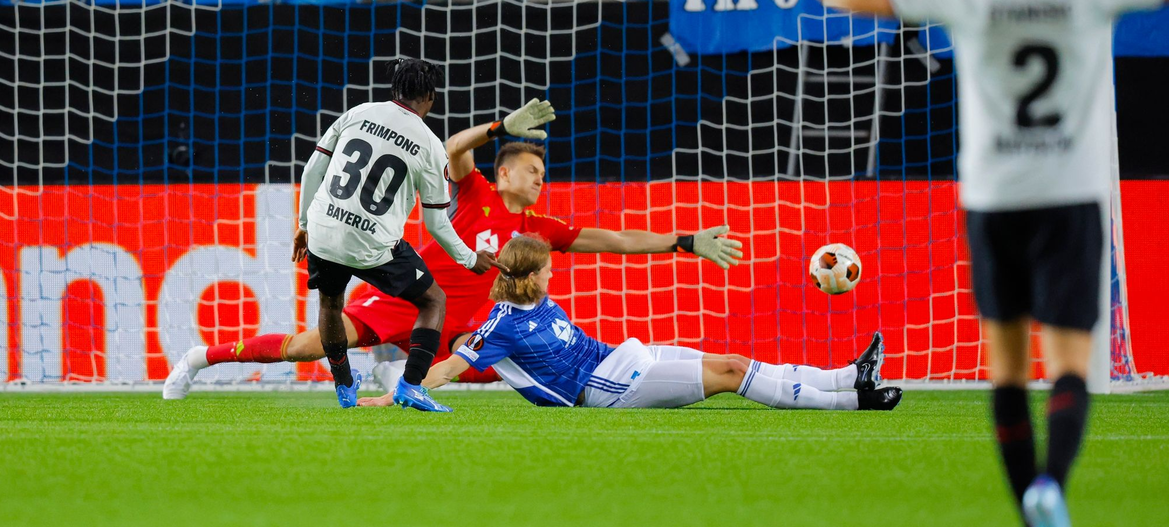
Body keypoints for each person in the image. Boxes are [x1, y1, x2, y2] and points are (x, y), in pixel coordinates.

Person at [749, 0, 1169, 524]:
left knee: (1008, 368)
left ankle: (1026, 502)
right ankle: (1051, 486)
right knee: (1069, 361)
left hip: (996, 198)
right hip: (1071, 191)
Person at [163, 99, 745, 399]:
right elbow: (447, 147)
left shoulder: (541, 229)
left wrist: (684, 242)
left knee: (501, 366)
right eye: (533, 169)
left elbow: (614, 240)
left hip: (469, 325)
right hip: (411, 299)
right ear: (508, 172)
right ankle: (199, 359)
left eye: (542, 172)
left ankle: (399, 381)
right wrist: (497, 127)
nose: (540, 178)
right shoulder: (472, 190)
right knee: (308, 346)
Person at [167, 58, 502, 412]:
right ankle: (410, 386)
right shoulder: (430, 145)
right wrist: (469, 258)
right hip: (374, 246)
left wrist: (304, 224)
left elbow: (313, 169)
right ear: (431, 98)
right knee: (433, 300)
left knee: (329, 303)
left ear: (394, 90)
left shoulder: (358, 113)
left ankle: (343, 382)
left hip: (325, 232)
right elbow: (435, 222)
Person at [359, 235, 902, 412]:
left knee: (732, 357)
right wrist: (397, 394)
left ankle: (847, 375)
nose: (554, 271)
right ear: (530, 273)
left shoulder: (534, 303)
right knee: (731, 370)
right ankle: (854, 402)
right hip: (605, 389)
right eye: (548, 266)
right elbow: (450, 365)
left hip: (618, 356)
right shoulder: (497, 323)